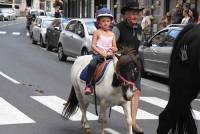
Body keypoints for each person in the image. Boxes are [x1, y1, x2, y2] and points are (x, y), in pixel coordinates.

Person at [112, 1, 144, 133]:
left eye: (137, 14)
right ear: (125, 15)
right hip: (121, 64)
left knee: (136, 92)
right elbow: (112, 46)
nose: (135, 16)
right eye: (132, 13)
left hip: (134, 65)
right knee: (115, 92)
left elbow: (138, 44)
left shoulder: (139, 28)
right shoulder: (118, 28)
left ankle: (134, 123)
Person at [84, 8, 118, 95]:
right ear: (99, 23)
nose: (106, 23)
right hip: (99, 55)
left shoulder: (112, 34)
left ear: (111, 22)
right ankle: (88, 85)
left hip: (110, 56)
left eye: (108, 21)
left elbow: (115, 46)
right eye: (103, 21)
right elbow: (93, 45)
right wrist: (101, 52)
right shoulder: (97, 32)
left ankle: (121, 84)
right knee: (92, 64)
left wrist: (115, 49)